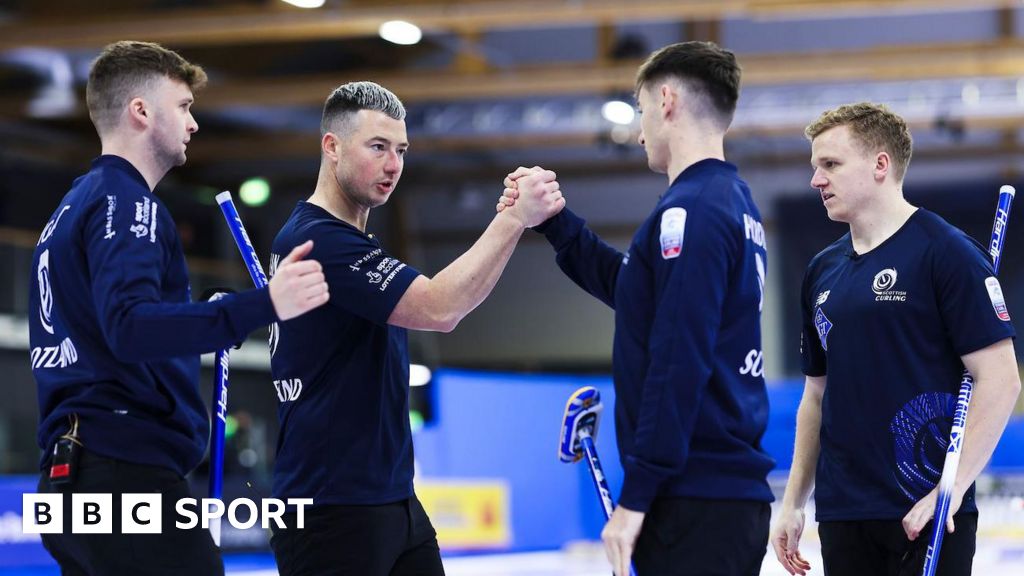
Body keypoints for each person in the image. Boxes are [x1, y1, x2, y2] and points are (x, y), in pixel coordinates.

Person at [28, 40, 329, 575]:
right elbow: (130, 326)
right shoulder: (127, 202)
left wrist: (203, 322)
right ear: (140, 111)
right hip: (125, 469)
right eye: (184, 107)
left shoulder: (76, 204)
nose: (193, 124)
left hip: (73, 473)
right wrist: (260, 305)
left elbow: (119, 327)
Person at [265, 81, 564, 576]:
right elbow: (439, 309)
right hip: (332, 510)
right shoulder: (318, 241)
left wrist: (514, 221)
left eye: (400, 150)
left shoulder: (349, 240)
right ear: (331, 146)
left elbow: (453, 308)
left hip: (392, 500)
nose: (393, 165)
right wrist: (512, 220)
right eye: (378, 147)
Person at [499, 41, 774, 576]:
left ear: (667, 100)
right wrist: (556, 222)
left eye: (642, 109)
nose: (640, 128)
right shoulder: (728, 201)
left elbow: (678, 360)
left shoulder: (691, 210)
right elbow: (635, 291)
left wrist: (637, 498)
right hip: (718, 496)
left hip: (694, 499)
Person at [769, 102, 1022, 576]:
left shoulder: (946, 254)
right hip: (844, 514)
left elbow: (1002, 380)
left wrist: (951, 490)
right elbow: (816, 396)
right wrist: (793, 502)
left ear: (880, 164)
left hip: (926, 514)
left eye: (830, 164)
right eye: (814, 167)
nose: (816, 180)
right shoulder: (822, 270)